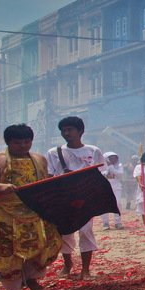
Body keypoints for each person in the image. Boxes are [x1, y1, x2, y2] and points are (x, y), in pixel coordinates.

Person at [0, 124, 62, 290]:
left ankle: (33, 280)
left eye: (26, 142)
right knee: (9, 252)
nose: (23, 146)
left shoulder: (39, 159)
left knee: (39, 248)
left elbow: (45, 183)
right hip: (6, 214)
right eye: (17, 142)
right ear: (8, 142)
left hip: (35, 212)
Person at [47, 116, 103, 279]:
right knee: (64, 233)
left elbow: (99, 175)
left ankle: (85, 269)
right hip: (63, 198)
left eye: (70, 129)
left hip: (85, 197)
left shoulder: (93, 151)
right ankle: (67, 264)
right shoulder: (54, 152)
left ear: (80, 131)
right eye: (63, 130)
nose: (66, 133)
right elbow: (49, 176)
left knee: (85, 231)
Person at [100, 152, 124, 230]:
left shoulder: (119, 166)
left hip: (116, 187)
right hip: (105, 188)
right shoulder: (101, 166)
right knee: (104, 205)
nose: (113, 159)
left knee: (118, 203)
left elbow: (119, 174)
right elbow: (102, 175)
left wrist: (111, 167)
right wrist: (107, 167)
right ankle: (105, 223)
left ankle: (118, 222)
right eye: (110, 158)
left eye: (114, 158)